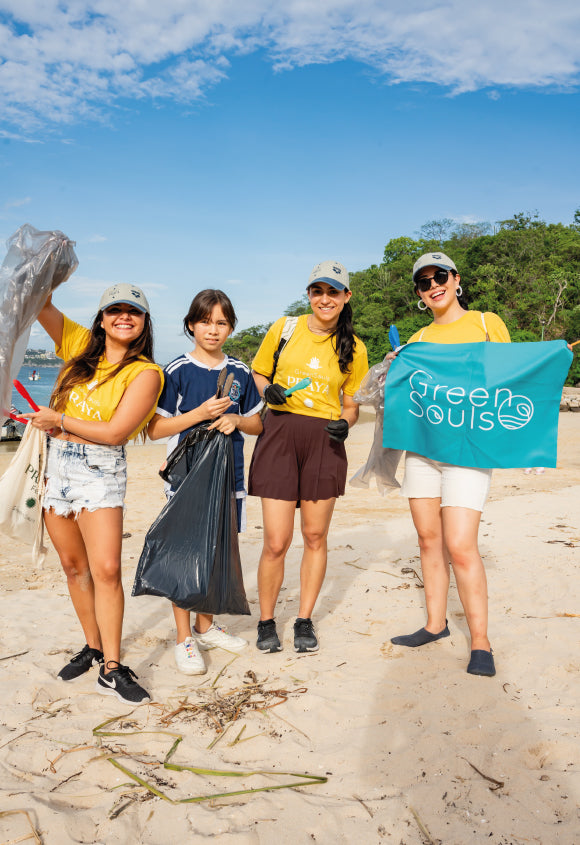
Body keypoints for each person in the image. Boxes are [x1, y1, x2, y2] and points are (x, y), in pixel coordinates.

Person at [25, 284, 163, 703]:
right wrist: (50, 272)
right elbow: (40, 304)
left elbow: (117, 433)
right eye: (115, 310)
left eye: (133, 312)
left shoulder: (145, 373)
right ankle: (93, 645)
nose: (124, 316)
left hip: (99, 471)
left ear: (143, 323)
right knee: (72, 566)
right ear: (101, 319)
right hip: (56, 465)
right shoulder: (78, 346)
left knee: (105, 570)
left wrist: (58, 419)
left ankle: (113, 667)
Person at [389, 252, 510, 677]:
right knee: (427, 540)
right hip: (423, 450)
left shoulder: (484, 322)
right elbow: (409, 397)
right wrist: (396, 368)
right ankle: (435, 624)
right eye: (424, 282)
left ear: (456, 279)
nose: (433, 285)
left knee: (460, 545)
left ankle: (481, 642)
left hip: (469, 449)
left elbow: (508, 377)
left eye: (440, 276)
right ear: (420, 294)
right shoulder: (418, 338)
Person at [249, 260, 368, 654]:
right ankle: (266, 621)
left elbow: (351, 406)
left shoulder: (356, 348)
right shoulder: (284, 329)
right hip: (280, 435)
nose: (324, 298)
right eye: (318, 291)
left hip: (324, 442)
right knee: (276, 541)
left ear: (346, 297)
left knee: (315, 536)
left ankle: (303, 619)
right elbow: (260, 373)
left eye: (333, 291)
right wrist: (267, 392)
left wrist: (346, 424)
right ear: (310, 296)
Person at [147, 290, 263, 675]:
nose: (213, 330)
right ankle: (184, 638)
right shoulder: (176, 370)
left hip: (228, 472)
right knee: (182, 553)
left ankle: (207, 626)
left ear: (230, 327)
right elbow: (155, 428)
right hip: (187, 474)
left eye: (221, 322)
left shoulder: (241, 373)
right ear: (191, 325)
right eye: (205, 321)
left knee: (217, 551)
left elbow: (259, 423)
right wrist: (198, 413)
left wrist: (236, 421)